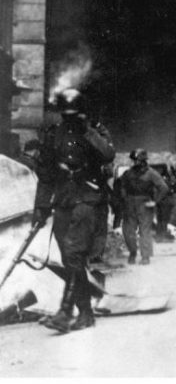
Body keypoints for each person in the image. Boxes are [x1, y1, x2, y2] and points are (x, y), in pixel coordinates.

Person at [32, 88, 115, 332]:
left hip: (88, 198)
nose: (69, 118)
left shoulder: (94, 131)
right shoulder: (53, 134)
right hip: (64, 200)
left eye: (74, 114)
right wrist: (41, 206)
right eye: (65, 114)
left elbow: (107, 154)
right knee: (69, 258)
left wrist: (87, 130)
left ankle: (68, 312)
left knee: (73, 252)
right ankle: (83, 313)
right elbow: (45, 173)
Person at [120, 148, 169, 265]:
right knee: (128, 231)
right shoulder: (128, 173)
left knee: (144, 231)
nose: (134, 163)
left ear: (143, 161)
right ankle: (133, 252)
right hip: (130, 204)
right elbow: (122, 186)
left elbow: (164, 188)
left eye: (136, 160)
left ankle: (145, 256)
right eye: (133, 160)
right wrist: (125, 198)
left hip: (145, 204)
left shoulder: (151, 173)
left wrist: (155, 201)